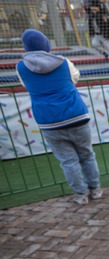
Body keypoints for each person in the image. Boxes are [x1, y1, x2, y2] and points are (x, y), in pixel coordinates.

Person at [16, 29, 102, 205]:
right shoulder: (63, 62)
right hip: (76, 115)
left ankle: (81, 194)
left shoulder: (21, 67)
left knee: (68, 161)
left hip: (49, 122)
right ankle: (96, 189)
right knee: (87, 155)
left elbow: (27, 85)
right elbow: (74, 78)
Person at [85, 0, 109, 68]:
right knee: (94, 44)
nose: (93, 10)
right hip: (96, 34)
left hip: (104, 34)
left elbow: (108, 23)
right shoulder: (91, 14)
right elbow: (88, 10)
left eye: (95, 8)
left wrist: (106, 21)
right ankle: (105, 53)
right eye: (92, 8)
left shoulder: (102, 14)